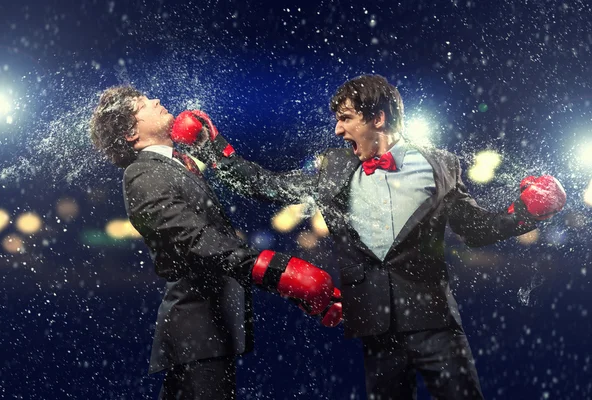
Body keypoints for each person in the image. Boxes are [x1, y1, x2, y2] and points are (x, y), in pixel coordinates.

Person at [171, 74, 567, 400]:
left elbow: (475, 229)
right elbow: (267, 185)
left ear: (377, 118)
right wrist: (213, 147)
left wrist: (523, 214)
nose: (338, 129)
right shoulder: (335, 167)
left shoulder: (441, 164)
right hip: (374, 327)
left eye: (346, 118)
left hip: (435, 323)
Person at [88, 86, 342, 400]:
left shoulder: (177, 163)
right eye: (142, 104)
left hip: (204, 328)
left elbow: (261, 187)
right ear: (130, 133)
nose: (155, 99)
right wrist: (279, 272)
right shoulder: (143, 173)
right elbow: (195, 240)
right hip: (197, 327)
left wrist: (214, 149)